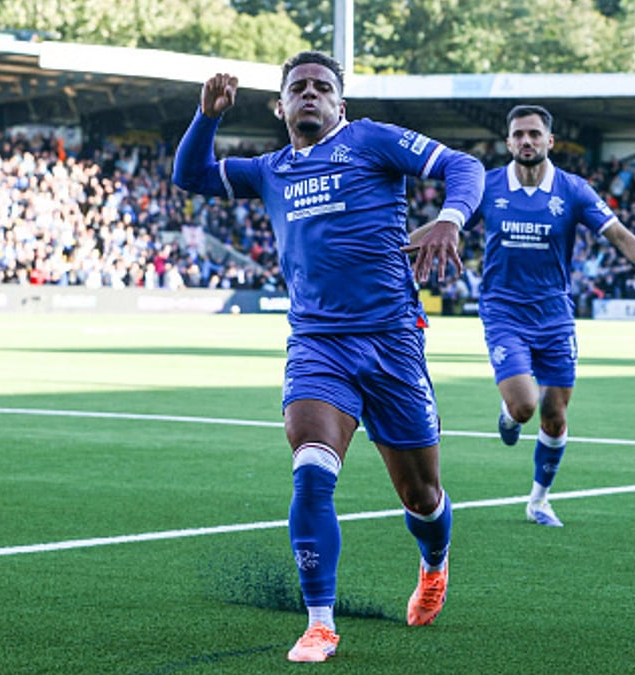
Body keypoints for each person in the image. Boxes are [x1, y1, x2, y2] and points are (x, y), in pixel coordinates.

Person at [172, 51, 484, 662]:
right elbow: (192, 176)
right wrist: (204, 117)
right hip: (318, 344)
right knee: (312, 472)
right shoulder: (270, 168)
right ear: (282, 105)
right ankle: (320, 623)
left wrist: (450, 218)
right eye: (298, 88)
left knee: (422, 497)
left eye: (321, 87)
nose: (309, 95)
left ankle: (434, 562)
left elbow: (463, 165)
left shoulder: (372, 141)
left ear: (340, 104)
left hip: (393, 342)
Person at [414, 104, 635, 527]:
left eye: (534, 134)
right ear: (508, 142)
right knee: (524, 406)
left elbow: (618, 234)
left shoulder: (573, 190)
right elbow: (441, 226)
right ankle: (509, 414)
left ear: (549, 141)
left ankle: (539, 500)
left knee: (555, 415)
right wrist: (383, 249)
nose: (527, 141)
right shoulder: (486, 187)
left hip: (555, 314)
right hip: (503, 309)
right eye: (519, 135)